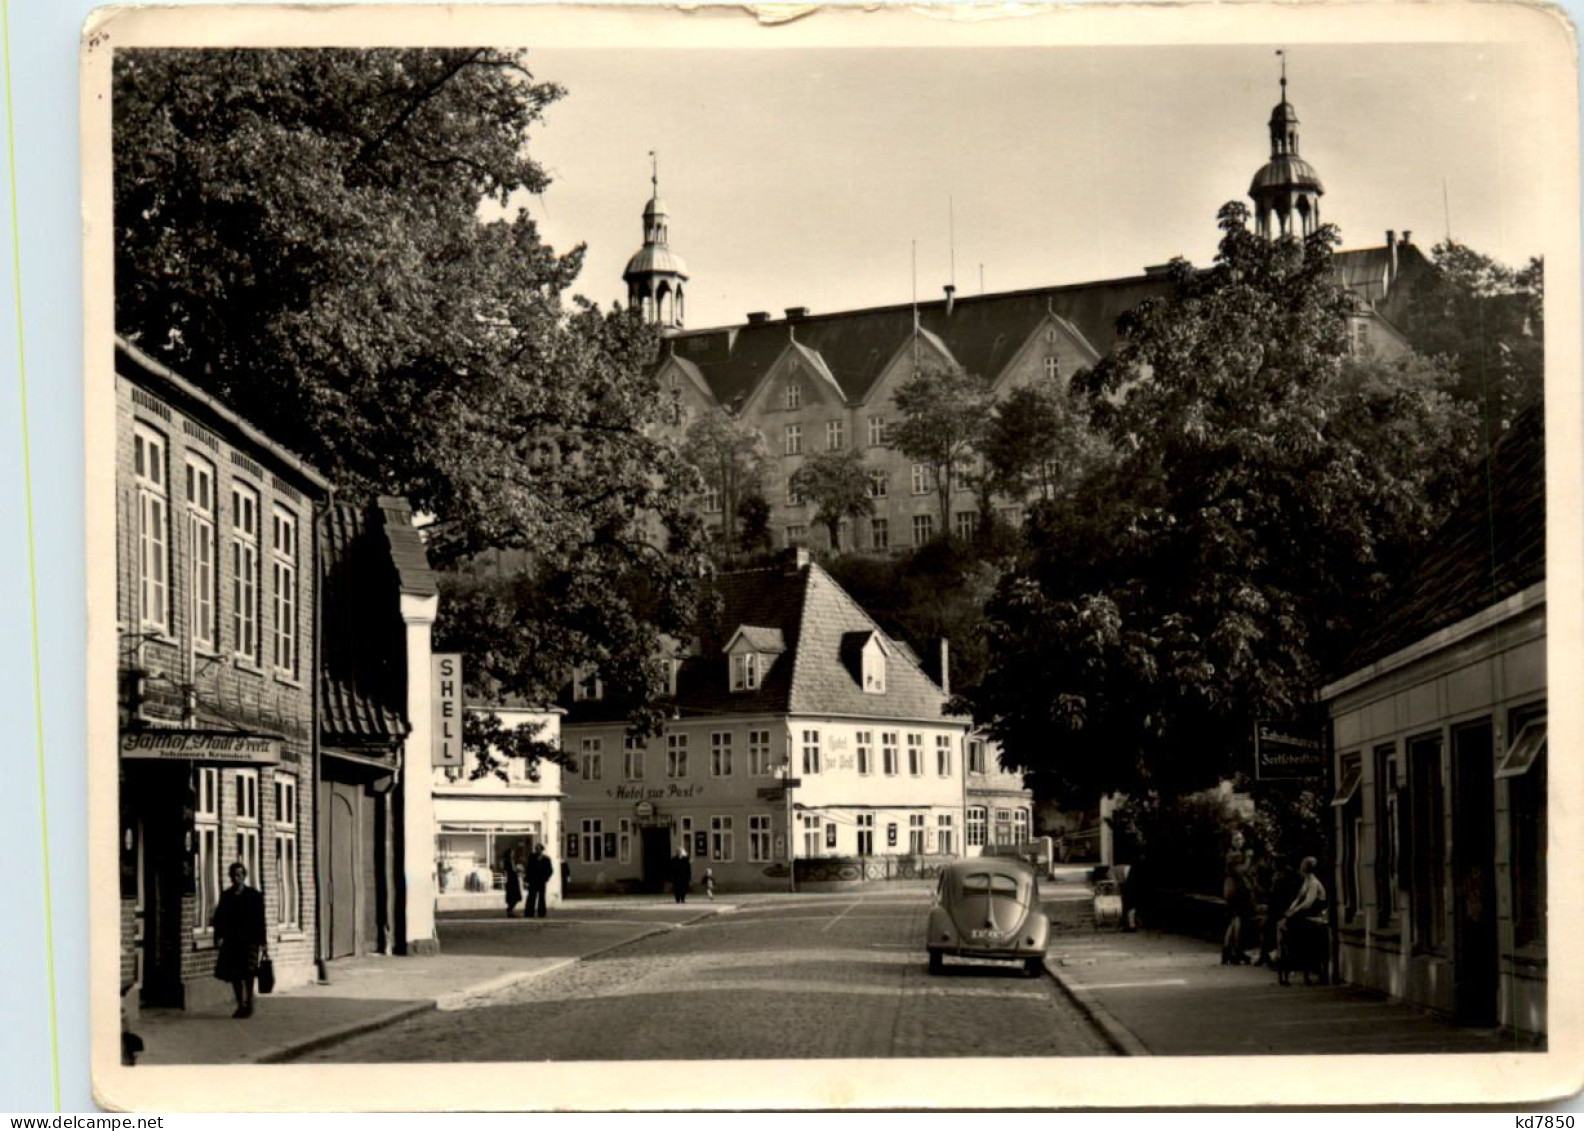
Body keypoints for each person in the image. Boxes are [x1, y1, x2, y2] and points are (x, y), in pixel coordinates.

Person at [211, 862, 267, 1019]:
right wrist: (218, 936)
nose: (238, 878)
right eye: (235, 875)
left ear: (245, 876)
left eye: (241, 874)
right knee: (235, 974)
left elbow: (260, 919)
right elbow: (219, 918)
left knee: (248, 973)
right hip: (232, 941)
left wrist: (263, 941)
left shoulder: (254, 896)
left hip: (250, 941)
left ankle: (248, 1001)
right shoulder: (226, 896)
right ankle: (240, 1004)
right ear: (230, 877)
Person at [1277, 855, 1328, 985]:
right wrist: (1290, 910)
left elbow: (1308, 902)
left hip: (1312, 916)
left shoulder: (1313, 882)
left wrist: (1294, 911)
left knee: (1296, 930)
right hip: (1305, 915)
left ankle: (1291, 963)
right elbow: (1298, 899)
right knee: (1287, 924)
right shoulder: (1306, 880)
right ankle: (1287, 963)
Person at [1221, 829, 1254, 965]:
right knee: (1237, 919)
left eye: (1241, 839)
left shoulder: (1234, 854)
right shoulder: (1234, 855)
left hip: (1233, 887)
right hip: (1235, 889)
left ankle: (1229, 951)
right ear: (1232, 841)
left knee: (1234, 920)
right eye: (1237, 839)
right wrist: (1249, 858)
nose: (1240, 842)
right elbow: (1242, 870)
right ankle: (1235, 951)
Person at [527, 843, 554, 918]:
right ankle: (529, 912)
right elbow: (528, 869)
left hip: (541, 881)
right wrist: (528, 879)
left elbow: (550, 870)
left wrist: (546, 878)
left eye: (539, 849)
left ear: (542, 850)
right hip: (533, 880)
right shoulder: (532, 858)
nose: (537, 851)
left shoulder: (546, 859)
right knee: (531, 896)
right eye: (536, 849)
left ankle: (541, 912)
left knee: (542, 897)